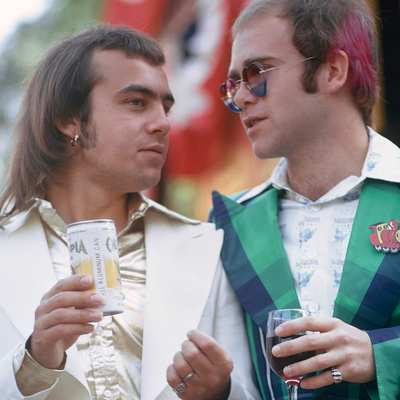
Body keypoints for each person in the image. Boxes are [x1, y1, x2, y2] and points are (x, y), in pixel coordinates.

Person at [0, 26, 259, 400]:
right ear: (68, 119)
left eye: (165, 106)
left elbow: (246, 391)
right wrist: (34, 363)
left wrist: (220, 391)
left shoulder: (205, 247)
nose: (163, 123)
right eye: (136, 102)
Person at [210, 0, 400, 399]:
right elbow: (239, 384)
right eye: (232, 84)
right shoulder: (231, 223)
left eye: (256, 73)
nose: (241, 97)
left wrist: (381, 356)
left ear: (333, 70)